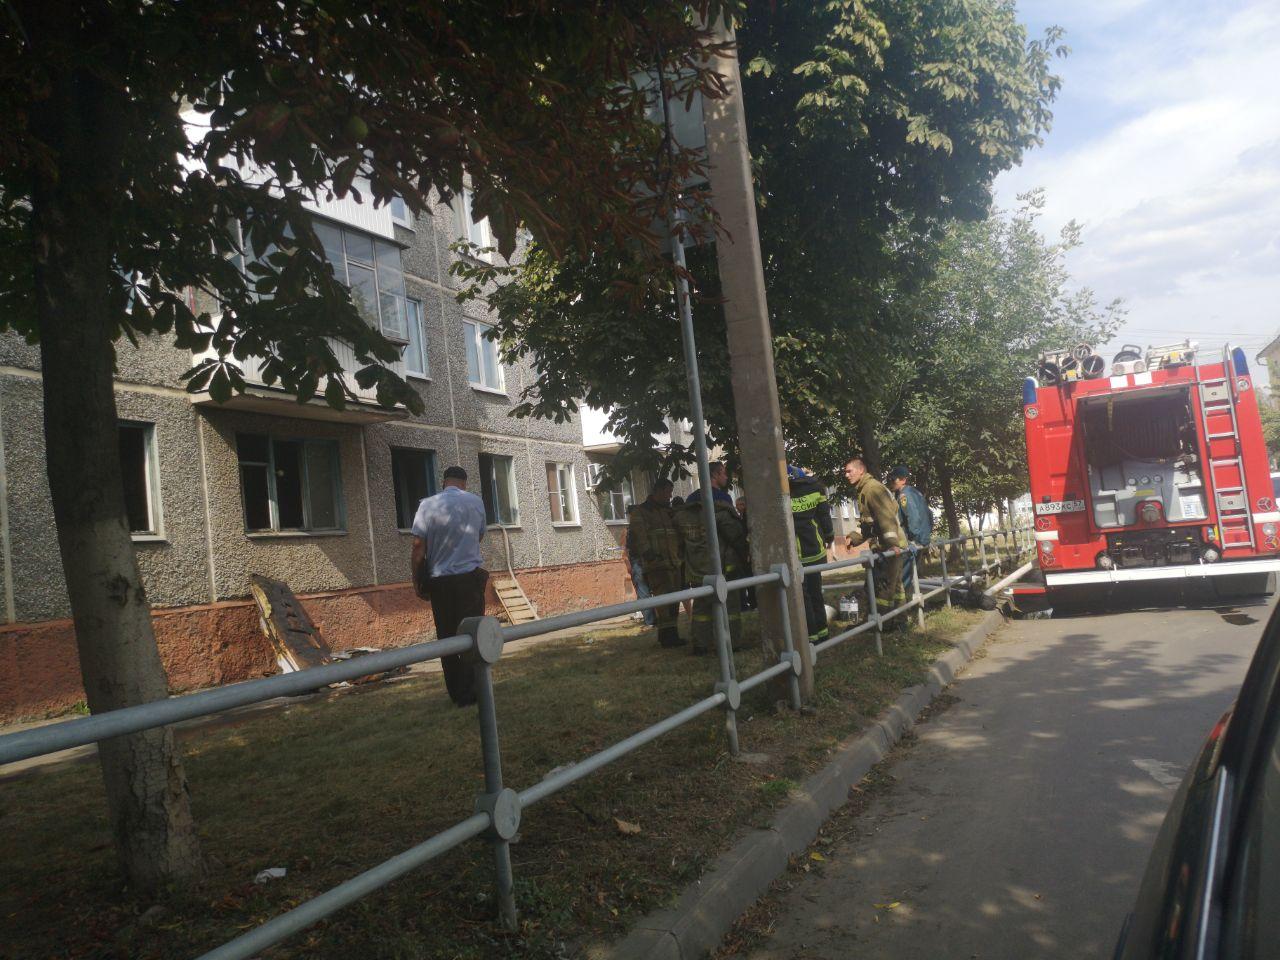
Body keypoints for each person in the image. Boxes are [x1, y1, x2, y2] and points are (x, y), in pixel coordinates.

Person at [411, 465, 489, 706]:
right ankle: (476, 689)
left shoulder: (427, 505)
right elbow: (479, 536)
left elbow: (418, 547)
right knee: (473, 635)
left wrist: (417, 581)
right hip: (469, 581)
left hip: (441, 583)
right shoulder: (476, 502)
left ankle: (458, 694)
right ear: (464, 483)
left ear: (444, 482)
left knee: (447, 638)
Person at [678, 462, 750, 654]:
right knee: (730, 605)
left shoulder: (690, 501)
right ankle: (732, 644)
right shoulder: (721, 499)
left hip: (698, 566)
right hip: (722, 563)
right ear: (715, 475)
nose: (726, 477)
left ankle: (701, 645)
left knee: (701, 608)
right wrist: (743, 550)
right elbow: (732, 532)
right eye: (724, 474)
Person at [843, 457, 907, 628]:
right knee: (896, 587)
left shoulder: (872, 489)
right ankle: (899, 622)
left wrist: (892, 544)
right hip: (887, 545)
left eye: (849, 471)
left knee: (883, 587)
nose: (846, 475)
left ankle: (882, 625)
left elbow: (886, 518)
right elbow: (869, 524)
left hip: (890, 546)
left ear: (861, 471)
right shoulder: (864, 489)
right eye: (845, 472)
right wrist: (854, 538)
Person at [627, 479, 684, 647]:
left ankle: (672, 635)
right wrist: (650, 556)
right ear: (657, 491)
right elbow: (639, 537)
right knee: (663, 603)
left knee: (674, 601)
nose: (670, 496)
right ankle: (667, 638)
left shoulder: (668, 511)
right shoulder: (641, 512)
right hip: (657, 565)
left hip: (674, 563)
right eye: (668, 492)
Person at [788, 465, 835, 644]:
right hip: (815, 549)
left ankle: (811, 636)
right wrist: (829, 536)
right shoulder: (816, 488)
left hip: (797, 553)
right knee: (816, 592)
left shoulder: (784, 494)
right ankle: (823, 633)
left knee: (803, 596)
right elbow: (824, 516)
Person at [889, 465, 933, 593]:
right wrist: (925, 536)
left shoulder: (904, 495)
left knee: (902, 576)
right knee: (908, 574)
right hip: (922, 538)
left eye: (894, 479)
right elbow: (929, 514)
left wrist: (913, 539)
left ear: (903, 480)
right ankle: (905, 598)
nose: (891, 482)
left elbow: (913, 517)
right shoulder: (915, 492)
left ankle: (902, 601)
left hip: (914, 541)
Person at [623, 503, 655, 627]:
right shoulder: (631, 530)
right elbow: (626, 552)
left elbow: (627, 551)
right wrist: (629, 566)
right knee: (645, 591)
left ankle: (651, 619)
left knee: (644, 591)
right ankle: (651, 619)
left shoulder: (633, 529)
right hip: (641, 561)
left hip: (641, 562)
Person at [735, 495, 757, 611]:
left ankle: (753, 602)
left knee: (749, 577)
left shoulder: (747, 517)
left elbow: (748, 534)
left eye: (739, 505)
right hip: (746, 552)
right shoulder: (743, 517)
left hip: (748, 553)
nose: (737, 508)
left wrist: (748, 551)